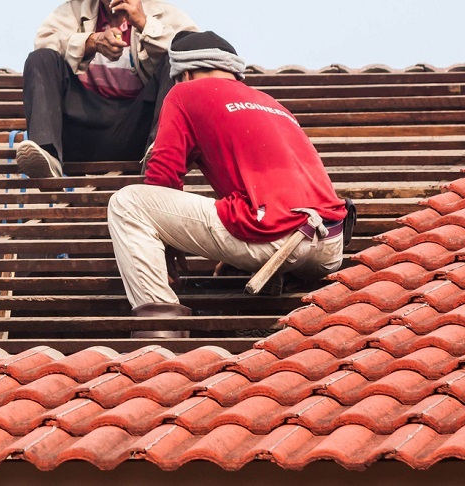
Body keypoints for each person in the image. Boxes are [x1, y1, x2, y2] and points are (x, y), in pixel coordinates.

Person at [107, 31, 349, 334]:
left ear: (186, 72)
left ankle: (160, 325)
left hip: (273, 232)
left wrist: (166, 252)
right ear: (234, 71)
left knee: (128, 203)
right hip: (329, 242)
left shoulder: (185, 93)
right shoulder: (271, 103)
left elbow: (162, 176)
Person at [16, 0, 197, 178]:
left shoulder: (164, 13)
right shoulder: (71, 12)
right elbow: (44, 45)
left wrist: (144, 24)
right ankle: (48, 154)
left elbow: (195, 55)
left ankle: (160, 154)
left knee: (177, 60)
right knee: (41, 58)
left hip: (138, 132)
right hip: (80, 130)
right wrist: (91, 42)